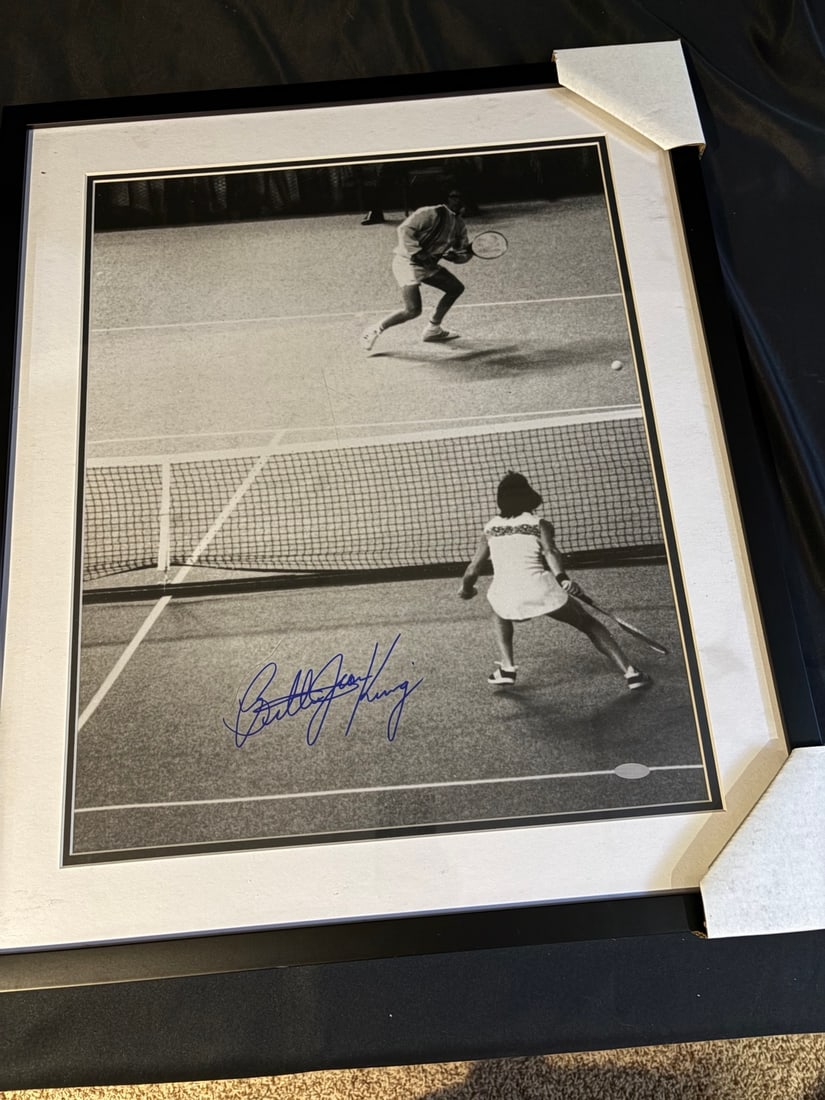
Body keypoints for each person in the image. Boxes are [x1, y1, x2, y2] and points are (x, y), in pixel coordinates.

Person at [459, 471, 651, 690]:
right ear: (528, 496)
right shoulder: (540, 524)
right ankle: (631, 673)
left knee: (498, 609)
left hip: (506, 597)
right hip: (540, 590)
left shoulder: (490, 527)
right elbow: (550, 552)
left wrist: (466, 589)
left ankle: (507, 668)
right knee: (588, 623)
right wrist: (563, 579)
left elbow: (472, 569)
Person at [360, 188, 472, 352]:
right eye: (456, 197)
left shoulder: (459, 225)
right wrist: (418, 253)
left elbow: (462, 252)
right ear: (448, 198)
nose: (460, 201)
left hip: (428, 266)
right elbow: (404, 230)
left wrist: (458, 257)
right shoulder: (428, 213)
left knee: (455, 288)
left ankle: (433, 329)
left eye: (463, 197)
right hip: (407, 262)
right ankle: (374, 330)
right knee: (412, 310)